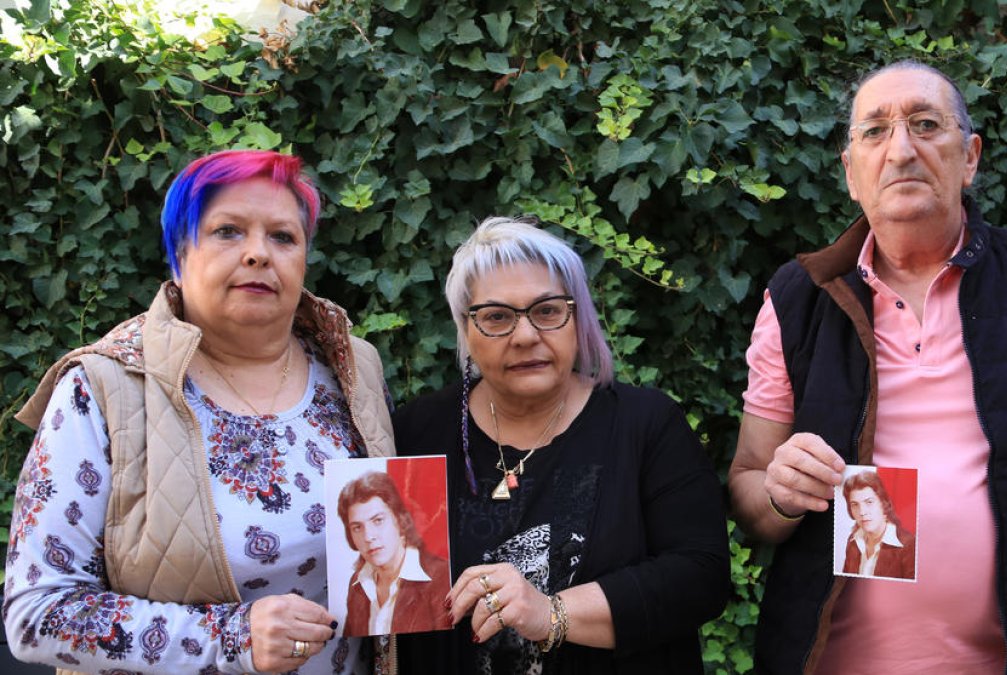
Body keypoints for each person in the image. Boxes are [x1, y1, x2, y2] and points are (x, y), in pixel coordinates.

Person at [728, 60, 1007, 674]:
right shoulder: (799, 298)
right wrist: (779, 494)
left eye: (924, 123)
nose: (901, 149)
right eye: (875, 131)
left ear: (969, 157)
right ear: (850, 172)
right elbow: (749, 482)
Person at [4, 150, 396, 674]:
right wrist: (229, 639)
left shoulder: (353, 367)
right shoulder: (103, 388)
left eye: (283, 236)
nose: (258, 253)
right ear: (178, 254)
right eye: (228, 231)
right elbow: (35, 615)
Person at [388, 217, 730, 674]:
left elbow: (700, 577)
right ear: (465, 331)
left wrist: (550, 614)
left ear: (578, 318)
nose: (526, 335)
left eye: (547, 310)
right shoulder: (419, 432)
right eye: (496, 317)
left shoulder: (646, 426)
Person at [336, 470, 452, 636]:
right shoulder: (357, 583)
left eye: (378, 521)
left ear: (400, 519)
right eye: (357, 527)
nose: (368, 536)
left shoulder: (441, 577)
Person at [840, 471, 914, 580]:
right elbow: (845, 584)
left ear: (883, 503)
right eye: (855, 505)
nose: (862, 512)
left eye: (869, 502)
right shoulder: (853, 541)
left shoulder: (909, 545)